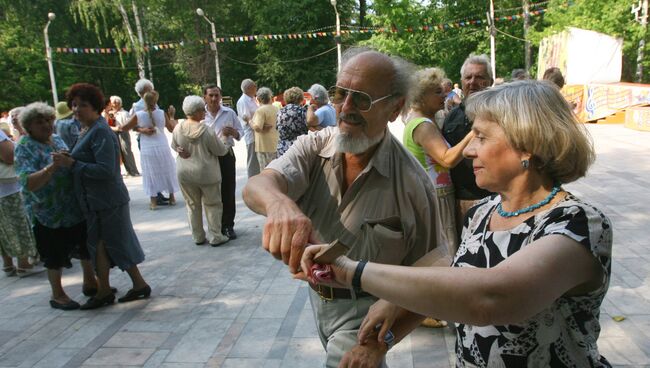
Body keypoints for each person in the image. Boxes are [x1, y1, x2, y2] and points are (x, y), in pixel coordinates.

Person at [304, 80, 612, 368]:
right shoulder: (483, 212)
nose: (468, 150)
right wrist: (385, 334)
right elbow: (451, 283)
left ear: (527, 143)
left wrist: (354, 272)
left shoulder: (577, 223)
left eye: (481, 136)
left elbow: (489, 298)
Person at [243, 48, 445, 367]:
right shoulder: (315, 146)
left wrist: (381, 343)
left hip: (369, 317)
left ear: (395, 108)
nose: (345, 108)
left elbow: (435, 277)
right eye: (340, 94)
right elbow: (256, 186)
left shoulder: (413, 183)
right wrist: (280, 205)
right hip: (318, 300)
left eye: (361, 99)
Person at [53, 83, 150, 310]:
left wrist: (73, 163)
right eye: (74, 105)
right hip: (94, 201)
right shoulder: (86, 129)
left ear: (96, 107)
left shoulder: (100, 131)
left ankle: (108, 290)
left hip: (107, 200)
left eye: (83, 105)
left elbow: (107, 170)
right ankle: (133, 285)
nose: (77, 110)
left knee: (110, 244)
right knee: (107, 245)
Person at [14, 102, 100, 310]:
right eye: (39, 122)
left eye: (48, 120)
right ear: (29, 126)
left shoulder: (57, 139)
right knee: (54, 254)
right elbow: (28, 183)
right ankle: (58, 294)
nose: (45, 125)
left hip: (71, 206)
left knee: (84, 246)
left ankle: (90, 283)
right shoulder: (24, 146)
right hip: (46, 212)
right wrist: (52, 167)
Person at [405, 67, 475, 255]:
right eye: (437, 92)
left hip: (436, 195)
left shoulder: (423, 120)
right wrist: (475, 133)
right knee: (446, 250)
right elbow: (447, 159)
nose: (444, 95)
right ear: (421, 95)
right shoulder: (423, 125)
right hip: (436, 197)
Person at [443, 54, 494, 236]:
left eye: (480, 77)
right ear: (462, 81)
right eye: (468, 77)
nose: (473, 82)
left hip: (495, 198)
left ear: (491, 81)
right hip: (459, 201)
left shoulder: (502, 115)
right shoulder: (451, 116)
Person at [171, 95, 229, 247]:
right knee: (213, 204)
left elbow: (174, 146)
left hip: (185, 172)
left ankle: (197, 236)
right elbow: (220, 151)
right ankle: (216, 236)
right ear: (196, 112)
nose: (204, 112)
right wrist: (224, 139)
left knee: (192, 204)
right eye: (202, 110)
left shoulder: (178, 128)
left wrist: (179, 150)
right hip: (207, 173)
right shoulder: (206, 131)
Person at [201, 84, 243, 240]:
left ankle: (228, 225)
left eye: (216, 95)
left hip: (226, 155)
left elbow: (240, 133)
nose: (214, 98)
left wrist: (233, 132)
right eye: (210, 95)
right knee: (211, 192)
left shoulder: (229, 113)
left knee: (227, 190)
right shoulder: (200, 114)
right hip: (208, 157)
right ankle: (214, 226)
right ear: (204, 97)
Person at [125, 90, 179, 210]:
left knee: (150, 172)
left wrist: (140, 130)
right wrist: (172, 116)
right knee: (167, 169)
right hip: (162, 145)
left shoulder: (138, 114)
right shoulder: (161, 113)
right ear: (156, 100)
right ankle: (172, 197)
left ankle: (153, 202)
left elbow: (126, 127)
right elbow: (171, 129)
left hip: (147, 147)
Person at [0, 124, 40, 278]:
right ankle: (24, 263)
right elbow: (9, 155)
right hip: (8, 188)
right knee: (17, 223)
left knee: (3, 228)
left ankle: (8, 264)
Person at [129, 78, 169, 205]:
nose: (152, 91)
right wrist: (143, 130)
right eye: (149, 90)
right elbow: (132, 125)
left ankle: (159, 193)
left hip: (158, 139)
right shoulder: (137, 106)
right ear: (142, 92)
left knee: (160, 166)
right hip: (146, 141)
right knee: (151, 168)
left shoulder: (155, 104)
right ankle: (155, 195)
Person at [109, 96, 140, 176]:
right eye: (113, 102)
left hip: (123, 133)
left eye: (116, 102)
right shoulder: (110, 113)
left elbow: (127, 125)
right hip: (113, 133)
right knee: (118, 153)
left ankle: (133, 170)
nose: (114, 104)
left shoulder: (124, 113)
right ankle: (127, 170)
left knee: (126, 150)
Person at [236, 78, 261, 177]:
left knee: (258, 159)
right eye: (255, 86)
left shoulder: (253, 99)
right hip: (251, 133)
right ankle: (252, 180)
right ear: (249, 88)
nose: (256, 88)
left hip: (258, 132)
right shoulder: (243, 101)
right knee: (253, 159)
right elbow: (246, 118)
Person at [251, 87, 279, 169]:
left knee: (265, 172)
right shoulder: (276, 109)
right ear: (270, 97)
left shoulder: (260, 111)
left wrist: (249, 121)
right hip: (275, 144)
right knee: (275, 170)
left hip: (263, 146)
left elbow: (257, 128)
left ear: (258, 99)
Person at [276, 87, 308, 156]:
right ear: (300, 98)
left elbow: (277, 128)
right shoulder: (302, 111)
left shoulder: (280, 112)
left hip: (283, 148)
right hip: (298, 148)